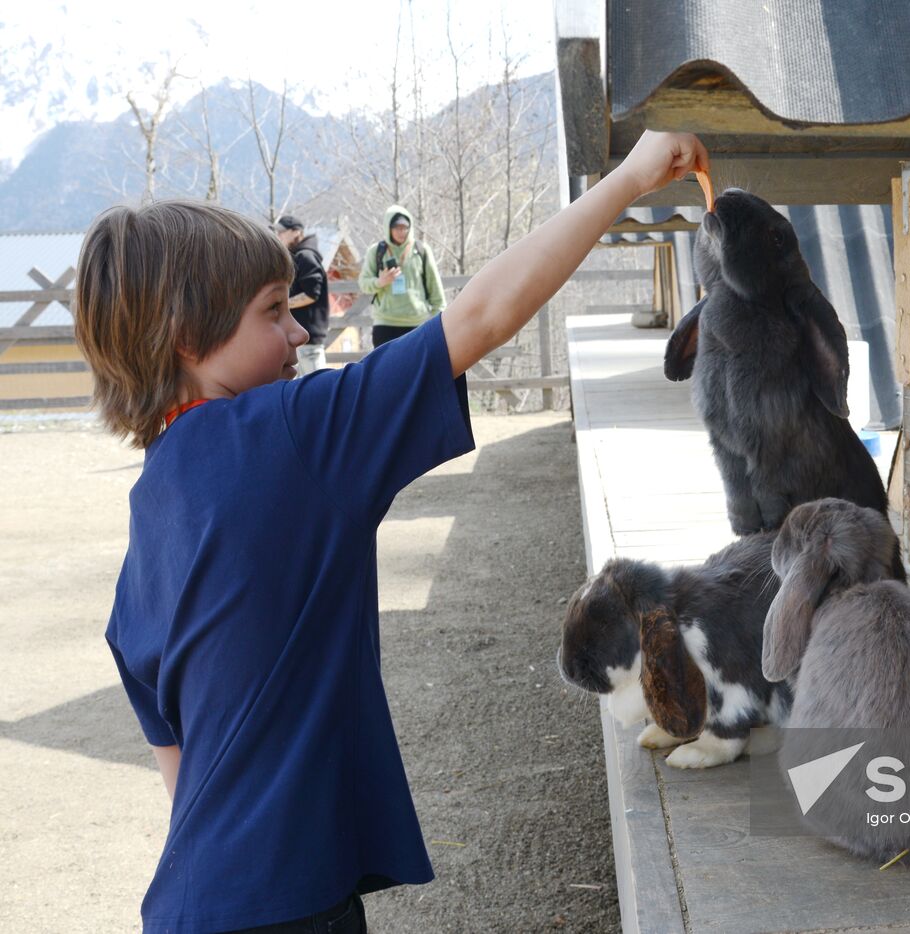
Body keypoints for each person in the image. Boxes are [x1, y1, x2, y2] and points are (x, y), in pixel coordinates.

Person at [71, 130, 708, 933]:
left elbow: (182, 776)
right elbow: (479, 315)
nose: (300, 335)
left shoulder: (147, 522)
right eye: (273, 314)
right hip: (293, 909)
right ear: (187, 340)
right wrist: (631, 175)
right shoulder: (291, 437)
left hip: (196, 904)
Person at [356, 205, 470, 409]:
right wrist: (380, 281)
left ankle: (418, 412)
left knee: (417, 372)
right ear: (388, 227)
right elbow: (364, 283)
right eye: (397, 227)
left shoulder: (420, 250)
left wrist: (439, 320)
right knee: (384, 373)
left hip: (416, 322)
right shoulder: (377, 251)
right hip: (386, 322)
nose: (402, 231)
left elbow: (435, 289)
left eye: (406, 227)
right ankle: (388, 412)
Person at [274, 214, 330, 376]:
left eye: (282, 232)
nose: (279, 236)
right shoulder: (300, 255)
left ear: (296, 232)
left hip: (309, 335)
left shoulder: (305, 256)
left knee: (318, 386)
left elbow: (312, 293)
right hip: (302, 335)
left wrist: (283, 304)